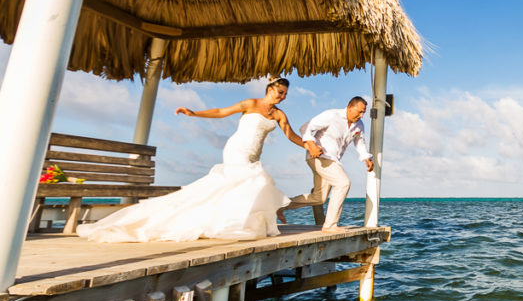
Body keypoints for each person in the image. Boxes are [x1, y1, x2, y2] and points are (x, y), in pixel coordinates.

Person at [77, 77, 312, 242]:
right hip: (237, 150)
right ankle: (226, 222)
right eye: (279, 92)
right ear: (270, 89)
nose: (282, 97)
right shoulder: (250, 104)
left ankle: (232, 222)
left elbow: (290, 135)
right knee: (253, 182)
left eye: (285, 95)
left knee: (242, 186)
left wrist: (309, 144)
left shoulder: (279, 115)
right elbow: (221, 111)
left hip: (254, 154)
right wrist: (194, 113)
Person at [283, 96, 374, 232]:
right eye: (359, 112)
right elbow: (305, 127)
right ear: (349, 107)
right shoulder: (331, 115)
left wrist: (366, 158)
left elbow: (359, 142)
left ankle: (280, 205)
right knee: (343, 183)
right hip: (320, 156)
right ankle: (330, 225)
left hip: (333, 160)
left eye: (363, 113)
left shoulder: (359, 125)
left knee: (319, 198)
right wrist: (311, 145)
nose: (361, 115)